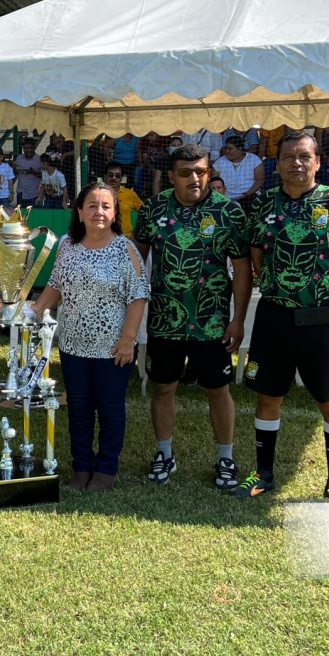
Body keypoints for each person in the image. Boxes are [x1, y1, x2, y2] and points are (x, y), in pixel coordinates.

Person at [239, 132, 329, 500]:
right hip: (274, 317)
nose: (296, 163)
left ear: (317, 162)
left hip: (321, 319)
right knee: (268, 397)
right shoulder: (264, 202)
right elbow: (256, 256)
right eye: (288, 157)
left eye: (304, 156)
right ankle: (263, 475)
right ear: (278, 163)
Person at [132, 144, 252, 492]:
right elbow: (135, 261)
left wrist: (238, 319)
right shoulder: (153, 209)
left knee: (218, 390)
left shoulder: (229, 212)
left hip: (212, 322)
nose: (195, 178)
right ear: (172, 176)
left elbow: (242, 270)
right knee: (163, 388)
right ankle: (164, 453)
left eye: (201, 171)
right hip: (164, 320)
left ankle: (226, 457)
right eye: (186, 173)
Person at [32, 182, 148, 492]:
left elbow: (138, 296)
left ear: (115, 213)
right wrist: (33, 310)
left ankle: (106, 469)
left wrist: (128, 340)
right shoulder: (68, 246)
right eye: (92, 205)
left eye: (106, 206)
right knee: (79, 409)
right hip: (73, 346)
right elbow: (56, 285)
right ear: (80, 212)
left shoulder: (125, 249)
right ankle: (82, 467)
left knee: (109, 409)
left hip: (113, 349)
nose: (99, 211)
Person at [212, 135, 265, 209]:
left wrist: (249, 192)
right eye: (226, 148)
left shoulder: (253, 159)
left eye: (230, 148)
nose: (227, 151)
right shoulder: (219, 162)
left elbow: (260, 180)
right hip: (225, 198)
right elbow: (213, 182)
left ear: (240, 149)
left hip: (248, 197)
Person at [103, 162, 142, 238]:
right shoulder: (97, 195)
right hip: (103, 238)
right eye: (111, 175)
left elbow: (145, 211)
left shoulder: (130, 194)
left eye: (117, 176)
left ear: (121, 179)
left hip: (126, 238)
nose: (114, 178)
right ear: (105, 177)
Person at [14, 137, 42, 207]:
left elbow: (44, 176)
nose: (27, 150)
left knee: (34, 213)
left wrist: (33, 172)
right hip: (21, 193)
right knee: (20, 213)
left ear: (34, 148)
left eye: (30, 148)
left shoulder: (39, 159)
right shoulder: (19, 158)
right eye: (25, 148)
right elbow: (15, 174)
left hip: (34, 194)